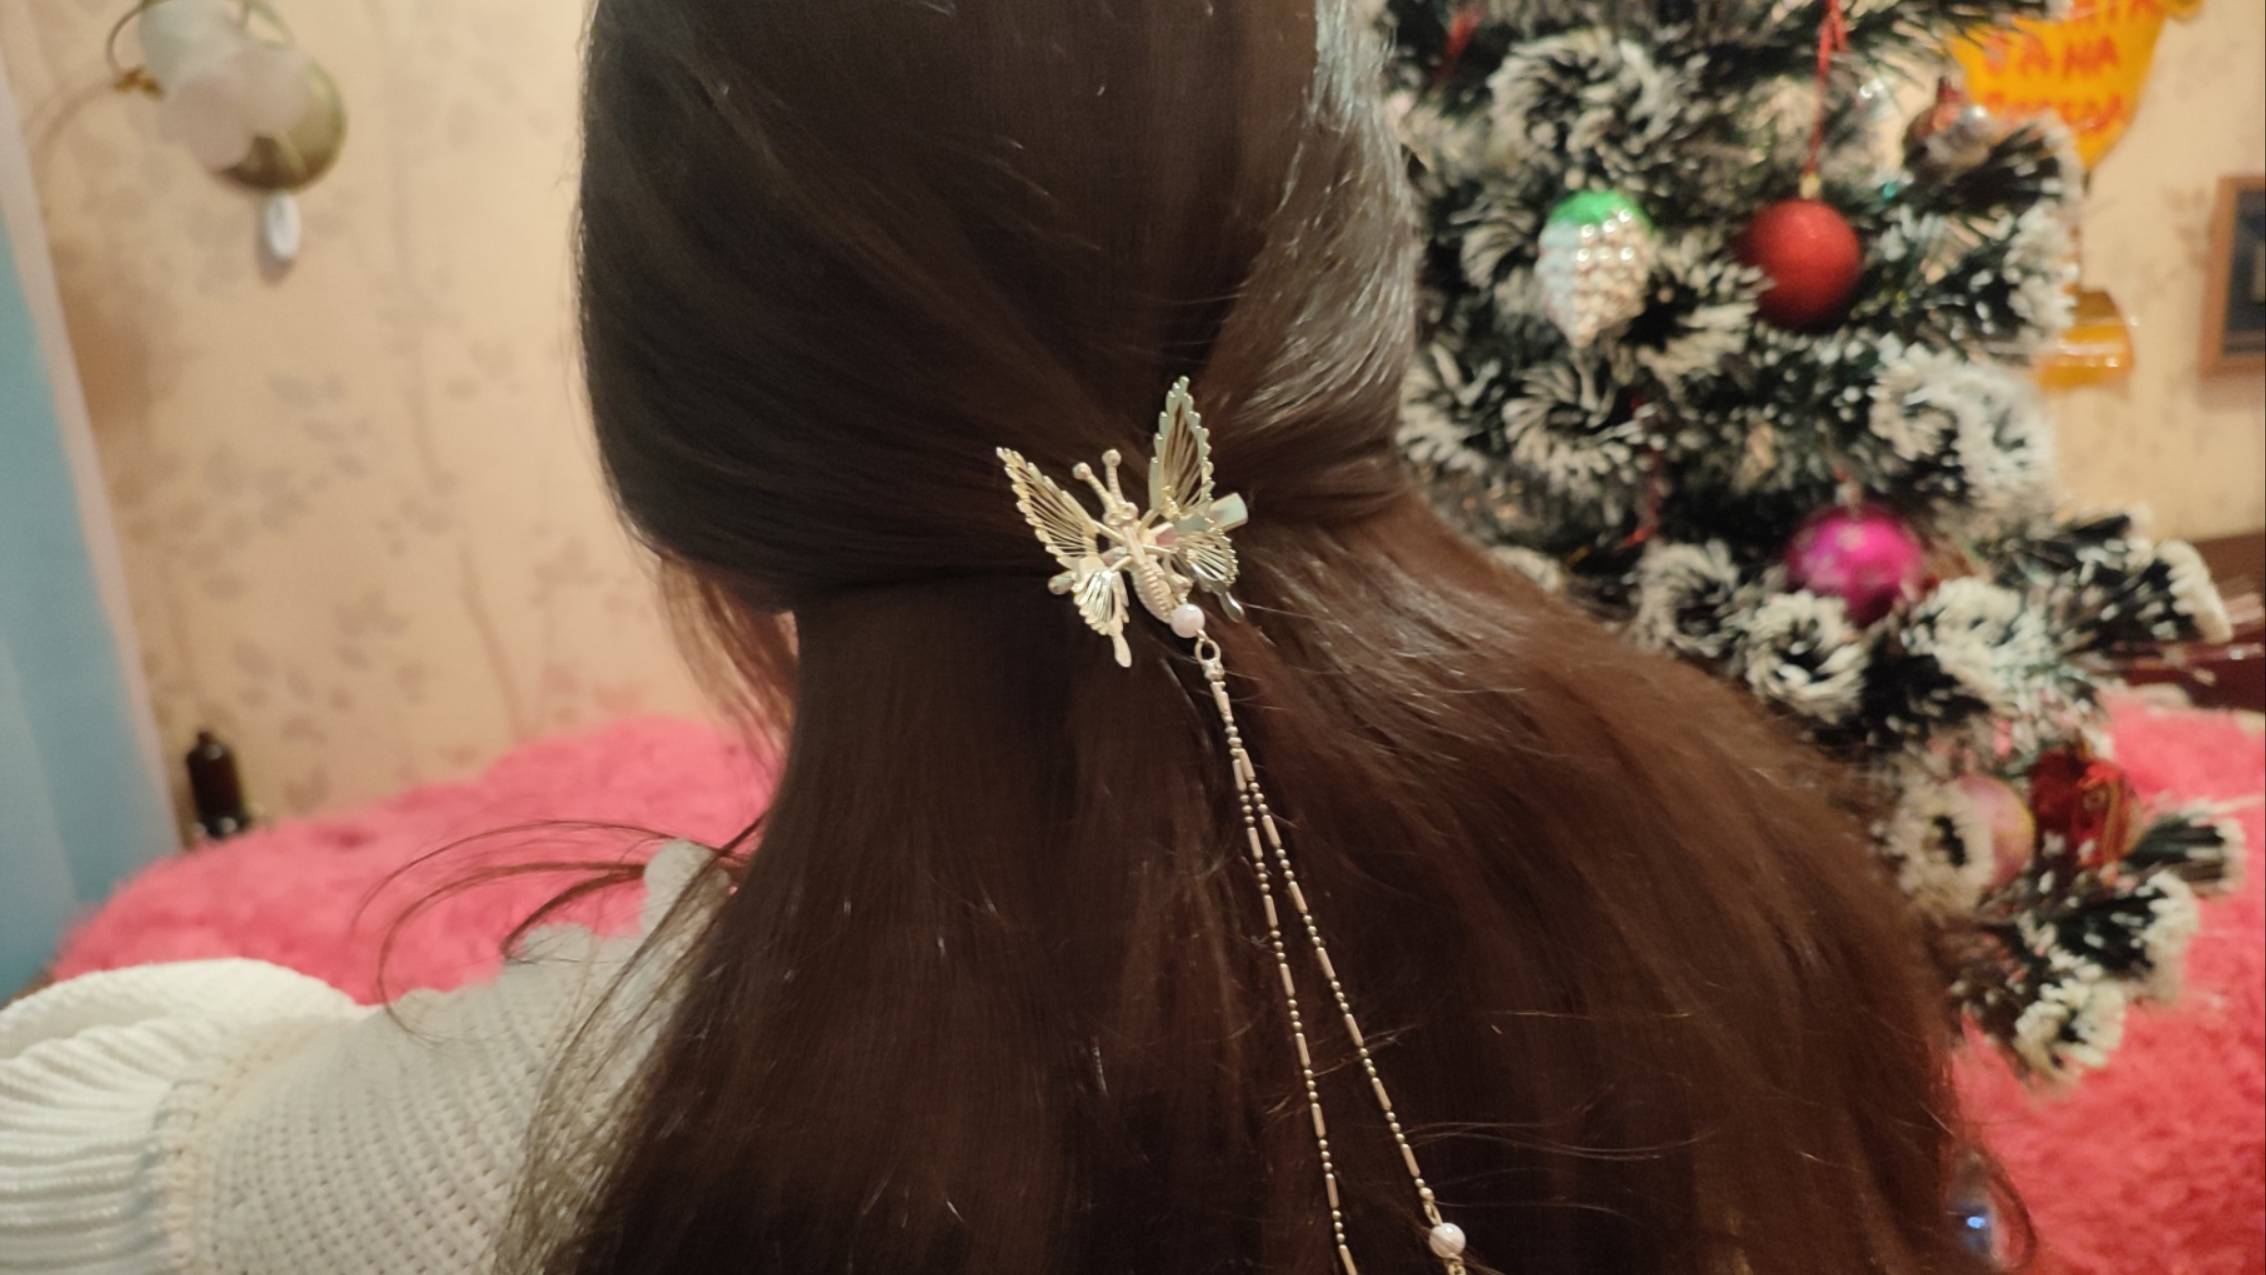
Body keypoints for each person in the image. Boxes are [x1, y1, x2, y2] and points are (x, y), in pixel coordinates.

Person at [0, 1, 2009, 1271]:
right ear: (1355, 305)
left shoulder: (469, 1163)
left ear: (699, 476)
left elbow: (65, 1127)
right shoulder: (1753, 874)